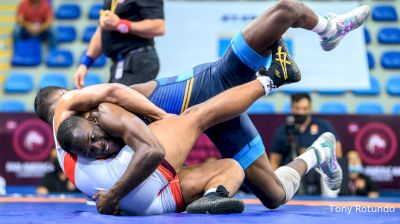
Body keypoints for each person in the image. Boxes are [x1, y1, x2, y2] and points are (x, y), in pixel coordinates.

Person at [34, 0, 370, 214]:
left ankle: (327, 30)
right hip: (210, 111)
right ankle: (319, 152)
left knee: (286, 11)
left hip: (201, 91)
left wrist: (163, 117)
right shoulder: (75, 133)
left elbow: (118, 95)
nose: (96, 145)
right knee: (273, 196)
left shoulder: (93, 108)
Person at [73, 0, 165, 88]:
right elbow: (101, 31)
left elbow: (158, 27)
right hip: (119, 63)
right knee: (112, 101)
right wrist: (85, 64)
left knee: (121, 102)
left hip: (138, 60)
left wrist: (120, 24)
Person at [270, 93, 342, 195]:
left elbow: (337, 153)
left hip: (318, 175)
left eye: (304, 109)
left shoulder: (323, 126)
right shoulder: (283, 131)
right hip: (292, 176)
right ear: (292, 108)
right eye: (297, 108)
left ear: (310, 108)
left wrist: (312, 155)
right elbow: (274, 161)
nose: (301, 112)